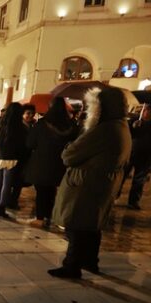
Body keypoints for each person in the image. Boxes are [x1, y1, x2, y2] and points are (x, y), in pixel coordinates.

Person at [49, 87, 132, 279]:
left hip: (87, 184)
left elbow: (69, 155)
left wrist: (72, 144)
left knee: (77, 224)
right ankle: (90, 261)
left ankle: (71, 266)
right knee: (92, 224)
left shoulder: (104, 129)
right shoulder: (121, 126)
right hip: (103, 183)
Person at [24, 97, 78, 227]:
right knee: (52, 190)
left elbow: (30, 143)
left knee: (42, 191)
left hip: (42, 163)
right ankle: (49, 217)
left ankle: (40, 218)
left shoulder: (42, 124)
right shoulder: (71, 125)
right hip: (61, 163)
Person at [0, 102, 29, 219]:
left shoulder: (1, 125)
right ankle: (1, 209)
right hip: (12, 158)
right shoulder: (20, 127)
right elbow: (23, 144)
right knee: (7, 185)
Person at [118, 104, 150, 210]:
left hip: (146, 156)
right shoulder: (135, 119)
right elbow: (126, 133)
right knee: (122, 175)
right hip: (131, 152)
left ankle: (133, 201)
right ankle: (115, 195)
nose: (147, 113)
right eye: (146, 110)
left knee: (139, 179)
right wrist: (132, 126)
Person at [7, 103, 37, 209]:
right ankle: (10, 201)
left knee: (19, 181)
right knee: (15, 181)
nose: (30, 116)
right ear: (22, 114)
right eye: (28, 113)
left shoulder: (32, 126)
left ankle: (13, 200)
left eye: (32, 114)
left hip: (25, 158)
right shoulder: (19, 127)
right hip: (18, 158)